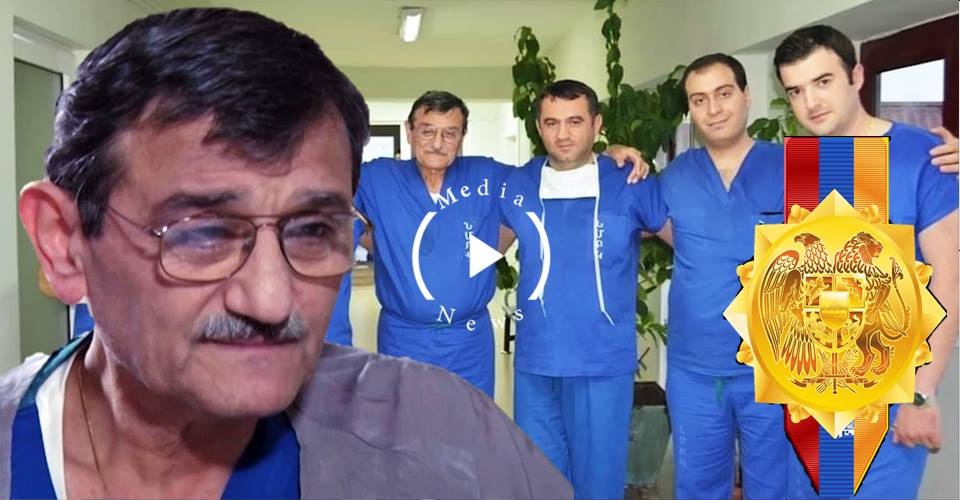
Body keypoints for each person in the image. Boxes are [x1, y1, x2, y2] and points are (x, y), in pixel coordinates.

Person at [0, 8, 572, 499]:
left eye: (311, 229)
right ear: (63, 244)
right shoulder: (16, 453)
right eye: (204, 232)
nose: (273, 301)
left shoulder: (455, 436)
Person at [354, 91, 648, 396]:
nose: (438, 143)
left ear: (463, 135)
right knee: (406, 423)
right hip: (403, 339)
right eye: (427, 131)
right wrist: (388, 246)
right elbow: (336, 207)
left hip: (469, 344)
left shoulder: (488, 175)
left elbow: (556, 172)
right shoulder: (376, 178)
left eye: (450, 133)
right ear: (410, 131)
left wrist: (607, 155)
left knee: (472, 423)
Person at [774, 25, 958, 500]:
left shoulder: (924, 155)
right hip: (809, 397)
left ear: (856, 75)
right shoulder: (798, 164)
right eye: (795, 90)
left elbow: (949, 282)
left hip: (888, 399)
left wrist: (923, 393)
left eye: (823, 81)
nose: (810, 102)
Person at [499, 80, 666, 499]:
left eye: (575, 122)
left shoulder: (629, 180)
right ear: (538, 127)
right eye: (551, 123)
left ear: (597, 124)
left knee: (599, 485)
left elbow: (691, 243)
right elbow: (484, 250)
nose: (563, 134)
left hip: (601, 363)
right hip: (537, 362)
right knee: (541, 482)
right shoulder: (518, 183)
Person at [655, 54, 792, 500]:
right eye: (699, 100)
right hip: (694, 369)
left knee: (774, 487)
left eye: (724, 93)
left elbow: (880, 195)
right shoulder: (673, 178)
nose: (713, 109)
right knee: (698, 487)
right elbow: (631, 210)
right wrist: (618, 154)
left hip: (776, 365)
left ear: (747, 95)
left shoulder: (794, 168)